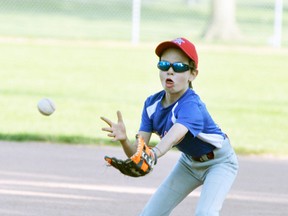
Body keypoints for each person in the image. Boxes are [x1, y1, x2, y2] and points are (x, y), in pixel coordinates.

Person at [101, 37, 239, 216]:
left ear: (192, 74)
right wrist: (125, 141)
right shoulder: (152, 104)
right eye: (165, 65)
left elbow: (175, 134)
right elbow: (138, 152)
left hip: (219, 162)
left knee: (206, 213)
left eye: (179, 67)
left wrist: (154, 154)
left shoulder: (191, 105)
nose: (170, 71)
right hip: (189, 164)